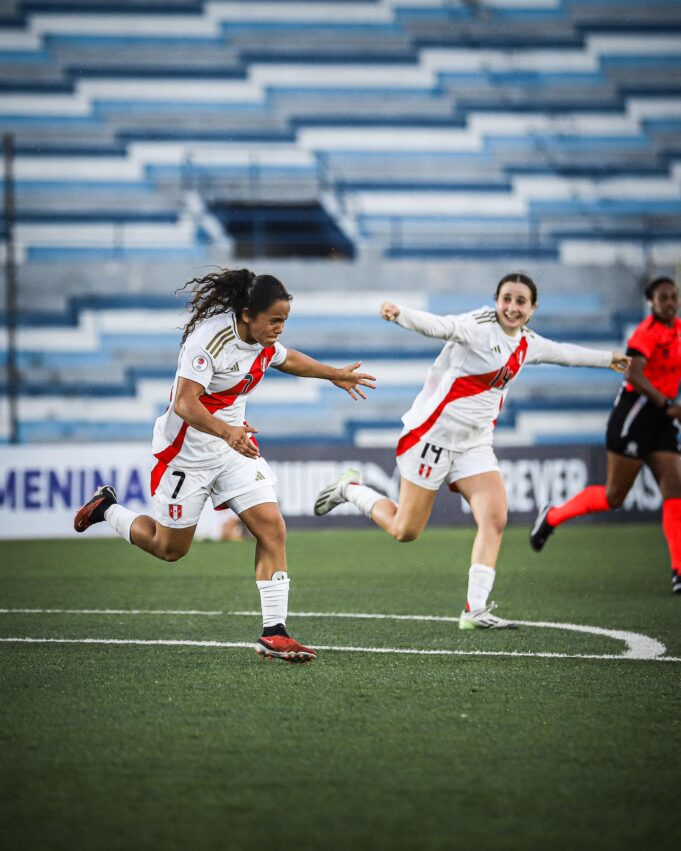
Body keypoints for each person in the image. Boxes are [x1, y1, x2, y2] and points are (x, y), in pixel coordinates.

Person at [74, 268, 376, 662]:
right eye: (275, 320)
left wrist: (333, 374)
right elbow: (185, 403)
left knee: (272, 527)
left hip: (232, 449)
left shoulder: (263, 341)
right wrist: (226, 431)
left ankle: (274, 633)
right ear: (247, 314)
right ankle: (108, 509)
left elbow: (288, 360)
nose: (280, 329)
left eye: (285, 320)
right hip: (187, 454)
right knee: (170, 549)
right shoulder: (209, 341)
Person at [314, 273, 628, 628]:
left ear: (532, 307)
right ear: (496, 300)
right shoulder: (478, 327)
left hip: (474, 444)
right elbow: (440, 326)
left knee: (495, 517)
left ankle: (474, 610)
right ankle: (350, 489)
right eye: (506, 299)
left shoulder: (527, 342)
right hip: (431, 437)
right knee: (405, 530)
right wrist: (400, 314)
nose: (512, 307)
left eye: (521, 301)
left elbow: (564, 353)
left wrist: (609, 359)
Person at [530, 275, 681, 594]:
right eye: (663, 298)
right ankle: (553, 516)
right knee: (614, 497)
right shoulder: (646, 333)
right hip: (635, 416)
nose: (670, 302)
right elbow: (634, 374)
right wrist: (667, 404)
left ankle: (678, 571)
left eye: (674, 296)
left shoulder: (678, 329)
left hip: (662, 419)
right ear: (651, 303)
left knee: (675, 490)